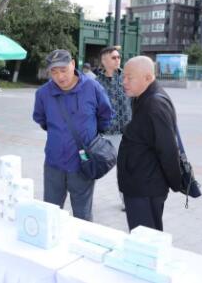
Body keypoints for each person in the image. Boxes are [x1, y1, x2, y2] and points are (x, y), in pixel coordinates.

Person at [32, 49, 113, 221]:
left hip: (83, 164)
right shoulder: (43, 93)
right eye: (54, 72)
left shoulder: (92, 87)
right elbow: (41, 120)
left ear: (73, 64)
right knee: (50, 213)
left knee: (82, 216)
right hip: (54, 164)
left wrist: (89, 136)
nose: (60, 77)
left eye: (63, 70)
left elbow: (105, 116)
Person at [117, 56, 182, 232]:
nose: (124, 82)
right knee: (144, 237)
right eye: (124, 76)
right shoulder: (142, 98)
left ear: (147, 77)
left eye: (129, 77)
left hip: (146, 188)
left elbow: (168, 150)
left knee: (146, 239)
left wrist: (175, 182)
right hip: (140, 184)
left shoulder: (154, 104)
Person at [96, 45, 131, 210]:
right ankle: (82, 196)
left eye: (119, 57)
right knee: (93, 166)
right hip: (104, 133)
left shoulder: (127, 78)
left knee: (125, 169)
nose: (118, 60)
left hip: (126, 133)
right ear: (104, 61)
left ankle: (127, 202)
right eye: (114, 57)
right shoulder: (96, 83)